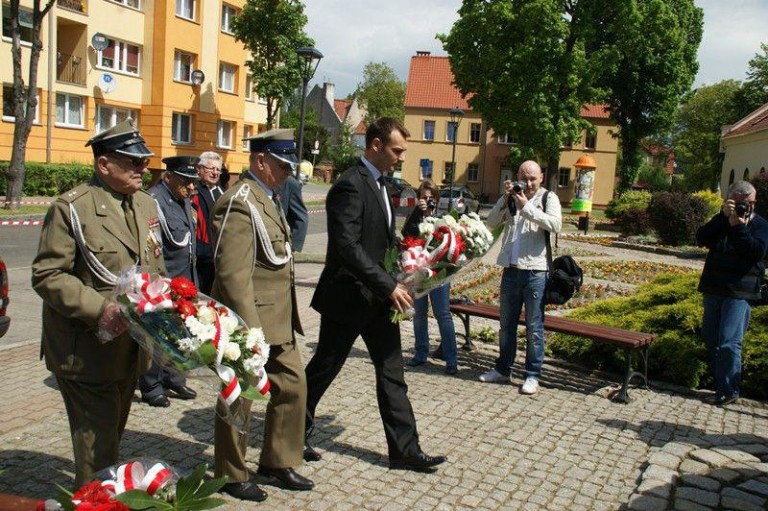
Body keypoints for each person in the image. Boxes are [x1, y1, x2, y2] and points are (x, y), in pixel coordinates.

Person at [304, 117, 446, 473]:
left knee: (392, 372)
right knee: (325, 367)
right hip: (348, 298)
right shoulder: (349, 185)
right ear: (376, 145)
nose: (401, 157)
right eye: (397, 150)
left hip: (380, 299)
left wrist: (407, 252)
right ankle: (291, 430)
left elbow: (375, 238)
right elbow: (347, 247)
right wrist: (388, 285)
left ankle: (404, 450)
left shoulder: (383, 184)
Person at [31, 119, 166, 485]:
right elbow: (47, 275)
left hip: (128, 349)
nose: (143, 168)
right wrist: (99, 308)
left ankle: (100, 497)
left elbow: (154, 265)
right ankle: (93, 501)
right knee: (98, 452)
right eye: (133, 162)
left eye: (144, 161)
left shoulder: (145, 204)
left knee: (110, 441)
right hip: (86, 352)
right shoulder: (72, 207)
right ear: (104, 164)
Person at [210, 128, 313, 503]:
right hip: (249, 322)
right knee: (240, 397)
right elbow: (233, 275)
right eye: (282, 166)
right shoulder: (239, 201)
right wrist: (247, 331)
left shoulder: (267, 196)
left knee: (293, 386)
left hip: (278, 320)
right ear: (260, 161)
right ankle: (231, 473)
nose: (288, 173)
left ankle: (276, 460)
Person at [478, 160, 562, 395]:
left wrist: (526, 207)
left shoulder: (549, 198)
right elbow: (492, 222)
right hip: (511, 270)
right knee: (506, 325)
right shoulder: (512, 195)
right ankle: (503, 369)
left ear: (541, 177)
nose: (528, 182)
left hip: (536, 271)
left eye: (533, 178)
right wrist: (505, 200)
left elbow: (556, 224)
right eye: (524, 177)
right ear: (517, 176)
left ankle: (533, 375)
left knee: (534, 326)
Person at [696, 180, 768, 406]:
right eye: (739, 203)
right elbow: (701, 238)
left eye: (749, 203)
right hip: (714, 287)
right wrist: (722, 218)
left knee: (729, 341)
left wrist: (738, 227)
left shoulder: (760, 225)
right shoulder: (722, 221)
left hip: (741, 292)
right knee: (710, 338)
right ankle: (721, 385)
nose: (745, 207)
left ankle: (729, 389)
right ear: (729, 201)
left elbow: (755, 252)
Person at [138, 156, 200, 407]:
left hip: (185, 277)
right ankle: (152, 385)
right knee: (157, 334)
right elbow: (152, 246)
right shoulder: (154, 201)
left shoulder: (182, 198)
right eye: (186, 181)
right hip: (164, 279)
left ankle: (174, 377)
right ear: (169, 177)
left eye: (193, 181)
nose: (192, 187)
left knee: (180, 332)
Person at [402, 179, 459, 375]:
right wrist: (418, 212)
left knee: (443, 314)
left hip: (438, 273)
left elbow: (453, 245)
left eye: (431, 198)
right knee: (419, 315)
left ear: (437, 199)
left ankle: (451, 360)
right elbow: (405, 234)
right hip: (419, 272)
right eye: (424, 197)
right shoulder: (416, 217)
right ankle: (420, 354)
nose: (428, 201)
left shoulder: (444, 218)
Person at [193, 152, 224, 294]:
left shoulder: (222, 193)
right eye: (211, 169)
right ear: (199, 169)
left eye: (218, 169)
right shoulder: (193, 191)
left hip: (218, 256)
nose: (215, 173)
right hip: (201, 257)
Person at [276, 174, 309, 252]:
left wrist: (292, 247)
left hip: (279, 245)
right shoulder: (248, 181)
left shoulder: (290, 184)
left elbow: (301, 218)